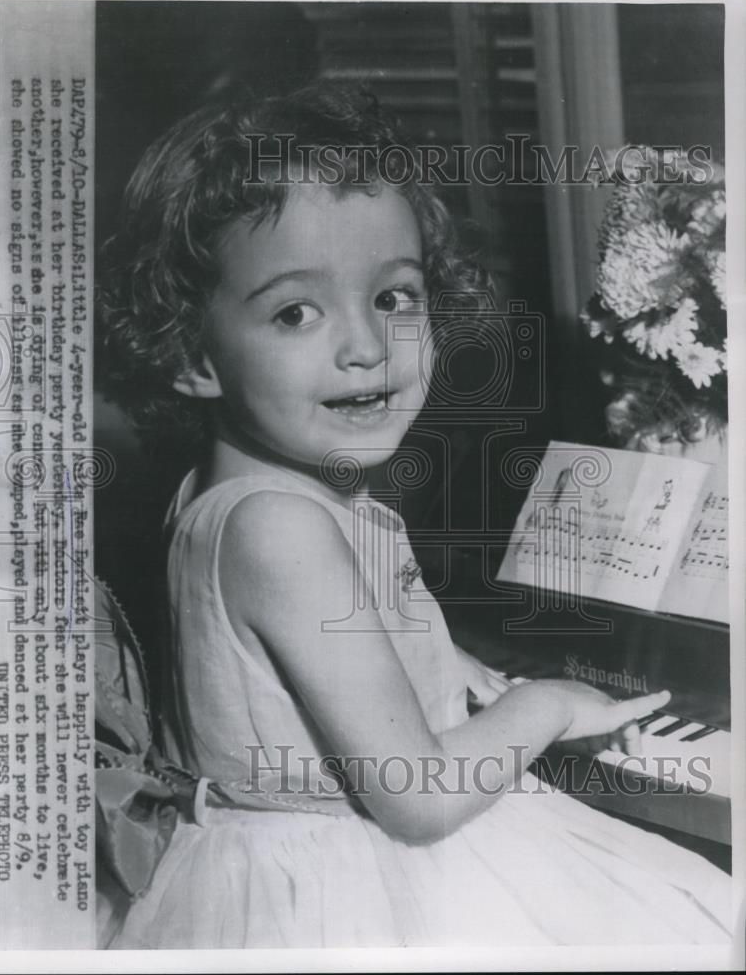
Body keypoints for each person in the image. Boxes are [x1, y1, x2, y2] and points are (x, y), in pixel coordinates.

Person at [96, 84, 731, 948]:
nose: (365, 345)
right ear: (188, 355)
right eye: (296, 311)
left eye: (394, 297)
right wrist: (540, 705)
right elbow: (423, 797)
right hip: (342, 892)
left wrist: (465, 671)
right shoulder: (280, 528)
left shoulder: (259, 494)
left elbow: (347, 648)